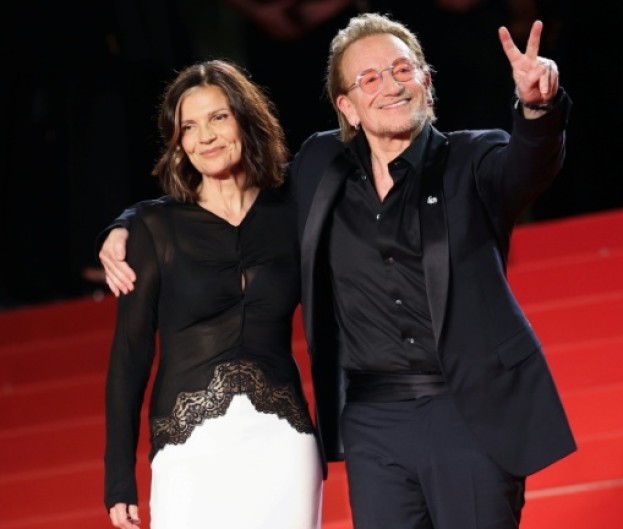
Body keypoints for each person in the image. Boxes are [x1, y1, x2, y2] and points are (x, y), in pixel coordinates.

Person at [100, 13, 575, 529]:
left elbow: (528, 166)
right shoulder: (320, 167)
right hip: (372, 422)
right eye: (368, 78)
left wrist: (537, 107)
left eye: (401, 70)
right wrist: (124, 224)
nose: (389, 86)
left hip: (467, 409)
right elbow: (216, 207)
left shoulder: (473, 159)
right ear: (347, 106)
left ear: (426, 81)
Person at [102, 60, 323, 529]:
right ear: (178, 143)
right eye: (189, 126)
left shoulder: (292, 212)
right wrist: (119, 475)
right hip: (188, 449)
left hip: (284, 442)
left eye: (219, 117)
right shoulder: (153, 229)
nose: (205, 136)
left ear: (246, 119)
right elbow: (130, 354)